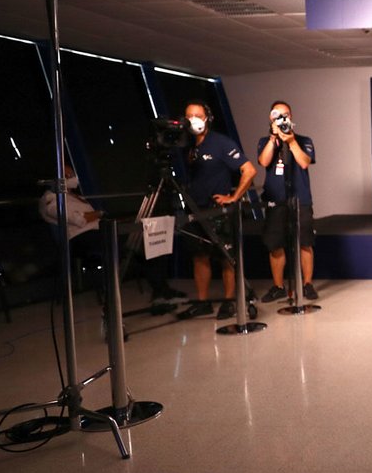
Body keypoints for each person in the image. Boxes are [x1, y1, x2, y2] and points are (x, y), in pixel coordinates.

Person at [38, 161, 183, 301]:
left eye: (71, 174)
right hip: (81, 239)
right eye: (68, 175)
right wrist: (99, 214)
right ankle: (160, 290)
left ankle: (161, 289)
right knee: (141, 243)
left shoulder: (74, 196)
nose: (73, 178)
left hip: (99, 231)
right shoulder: (51, 200)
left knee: (148, 239)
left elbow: (89, 218)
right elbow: (78, 220)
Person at [179, 100, 256, 319]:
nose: (193, 119)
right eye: (189, 115)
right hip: (196, 209)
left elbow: (249, 171)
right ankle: (203, 302)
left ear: (207, 119)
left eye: (197, 115)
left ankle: (229, 300)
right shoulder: (190, 146)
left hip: (218, 210)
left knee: (226, 257)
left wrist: (233, 197)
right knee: (199, 256)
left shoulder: (221, 142)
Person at [257, 101, 317, 303]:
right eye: (278, 115)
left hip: (300, 199)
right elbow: (263, 162)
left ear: (291, 116)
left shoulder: (304, 140)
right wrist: (274, 138)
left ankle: (307, 284)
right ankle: (278, 286)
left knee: (305, 243)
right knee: (275, 245)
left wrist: (291, 142)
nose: (283, 118)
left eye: (286, 114)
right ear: (271, 118)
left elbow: (304, 162)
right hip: (276, 200)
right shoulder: (265, 141)